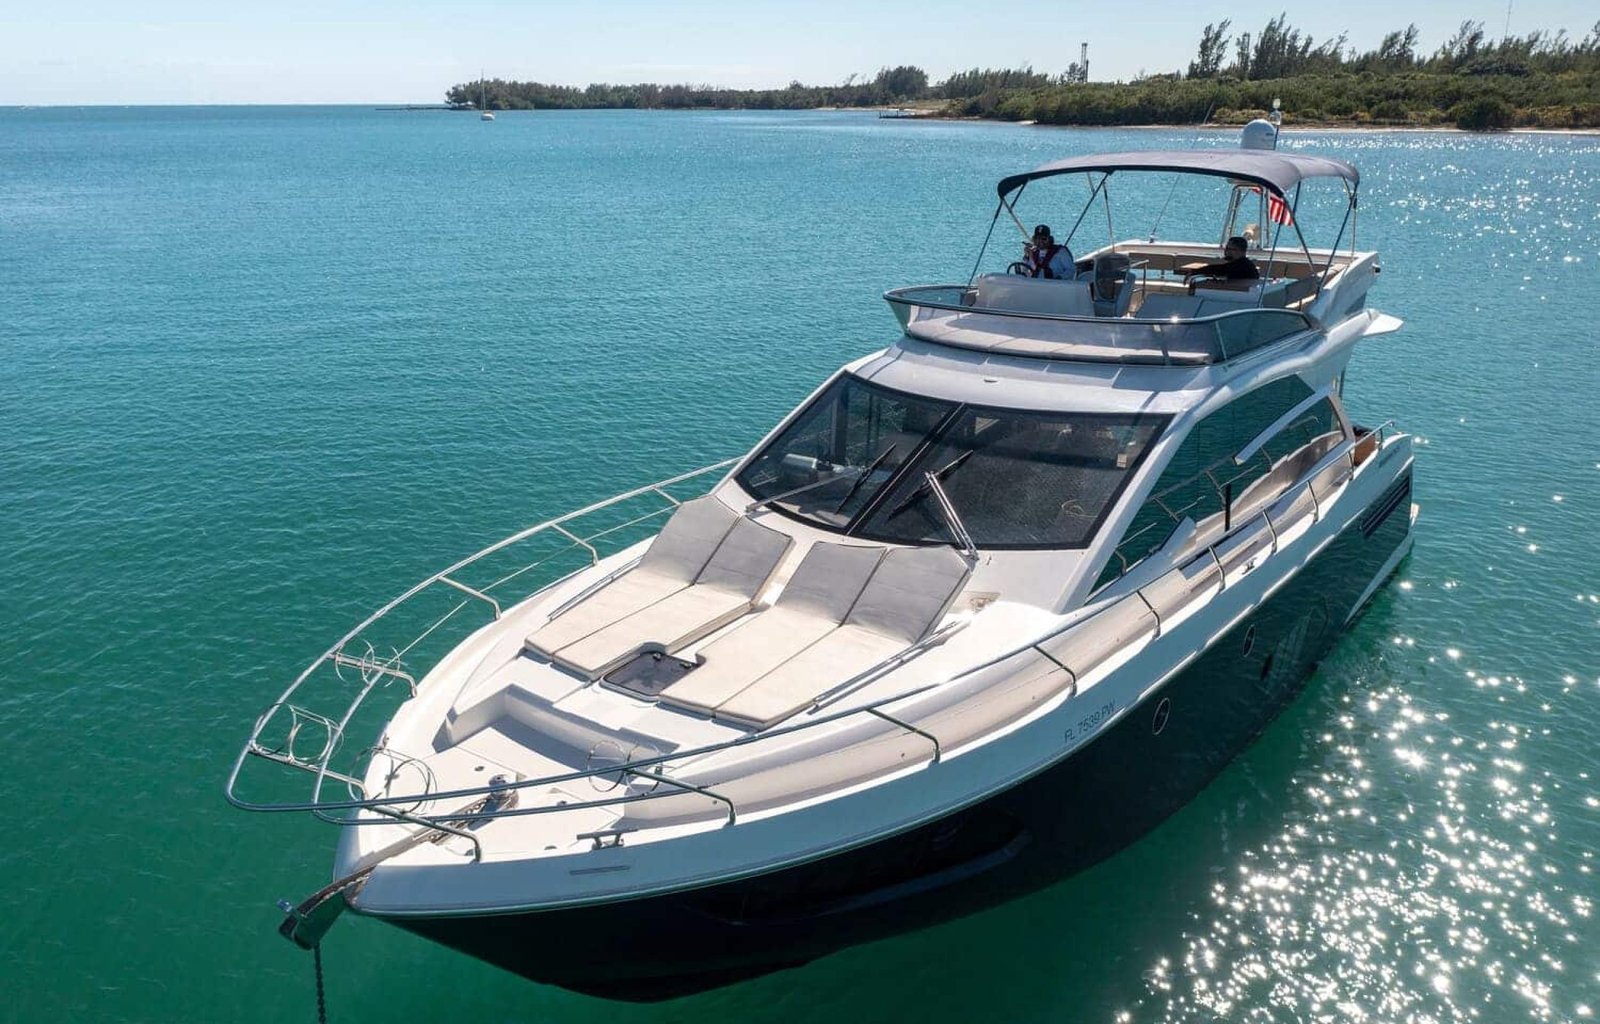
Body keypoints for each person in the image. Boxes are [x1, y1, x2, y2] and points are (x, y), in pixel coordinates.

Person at [1187, 236, 1260, 283]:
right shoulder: (1243, 264)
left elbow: (1220, 269)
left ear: (1241, 251)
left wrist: (1195, 272)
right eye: (1226, 248)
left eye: (1229, 249)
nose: (1226, 252)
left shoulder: (1243, 266)